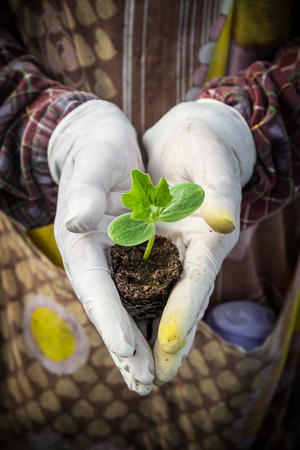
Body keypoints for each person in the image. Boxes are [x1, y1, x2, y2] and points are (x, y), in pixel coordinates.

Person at [0, 0, 299, 449]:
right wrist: (61, 130)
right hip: (50, 223)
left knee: (219, 413)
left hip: (244, 235)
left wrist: (238, 128)